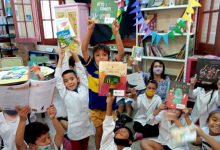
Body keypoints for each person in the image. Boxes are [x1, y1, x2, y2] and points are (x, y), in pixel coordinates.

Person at [81, 18, 125, 150]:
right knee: (99, 133)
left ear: (108, 57)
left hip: (110, 108)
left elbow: (121, 53)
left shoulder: (112, 67)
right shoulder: (91, 67)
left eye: (104, 55)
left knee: (109, 132)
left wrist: (116, 33)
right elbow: (83, 49)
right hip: (95, 109)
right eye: (98, 55)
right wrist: (89, 30)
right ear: (94, 57)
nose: (101, 57)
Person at [55, 48, 94, 149]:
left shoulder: (84, 87)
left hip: (86, 126)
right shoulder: (65, 94)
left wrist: (74, 54)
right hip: (74, 130)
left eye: (72, 79)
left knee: (85, 147)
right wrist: (61, 58)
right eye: (66, 81)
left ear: (77, 79)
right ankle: (66, 141)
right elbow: (58, 79)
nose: (70, 82)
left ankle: (66, 141)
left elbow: (81, 71)